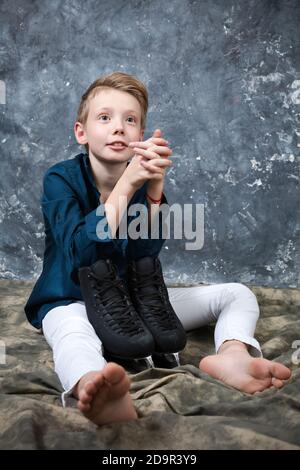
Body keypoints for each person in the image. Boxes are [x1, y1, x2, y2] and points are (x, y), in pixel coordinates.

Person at [24, 71, 291, 427]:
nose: (118, 127)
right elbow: (79, 253)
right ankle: (93, 387)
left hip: (129, 307)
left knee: (237, 295)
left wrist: (153, 190)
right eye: (105, 117)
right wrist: (128, 185)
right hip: (71, 300)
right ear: (81, 132)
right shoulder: (60, 179)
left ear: (140, 135)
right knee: (73, 336)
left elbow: (144, 256)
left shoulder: (140, 178)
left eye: (130, 120)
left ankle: (232, 354)